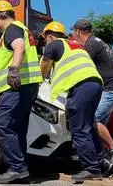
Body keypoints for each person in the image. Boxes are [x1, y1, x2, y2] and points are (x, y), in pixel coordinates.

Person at [39, 21, 104, 182]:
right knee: (88, 125)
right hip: (95, 84)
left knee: (79, 129)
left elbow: (43, 69)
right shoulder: (75, 46)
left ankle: (91, 168)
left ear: (50, 35)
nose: (45, 42)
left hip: (81, 87)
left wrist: (37, 85)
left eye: (45, 38)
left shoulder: (54, 45)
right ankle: (98, 163)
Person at [0, 0, 43, 184]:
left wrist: (13, 70)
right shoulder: (22, 28)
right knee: (18, 128)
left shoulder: (11, 29)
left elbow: (18, 46)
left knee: (1, 125)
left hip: (16, 87)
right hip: (27, 86)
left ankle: (16, 167)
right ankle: (22, 169)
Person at [71, 19, 113, 174]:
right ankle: (102, 157)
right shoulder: (97, 41)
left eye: (74, 34)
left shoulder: (90, 45)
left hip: (112, 89)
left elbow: (82, 65)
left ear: (78, 31)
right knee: (99, 123)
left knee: (93, 119)